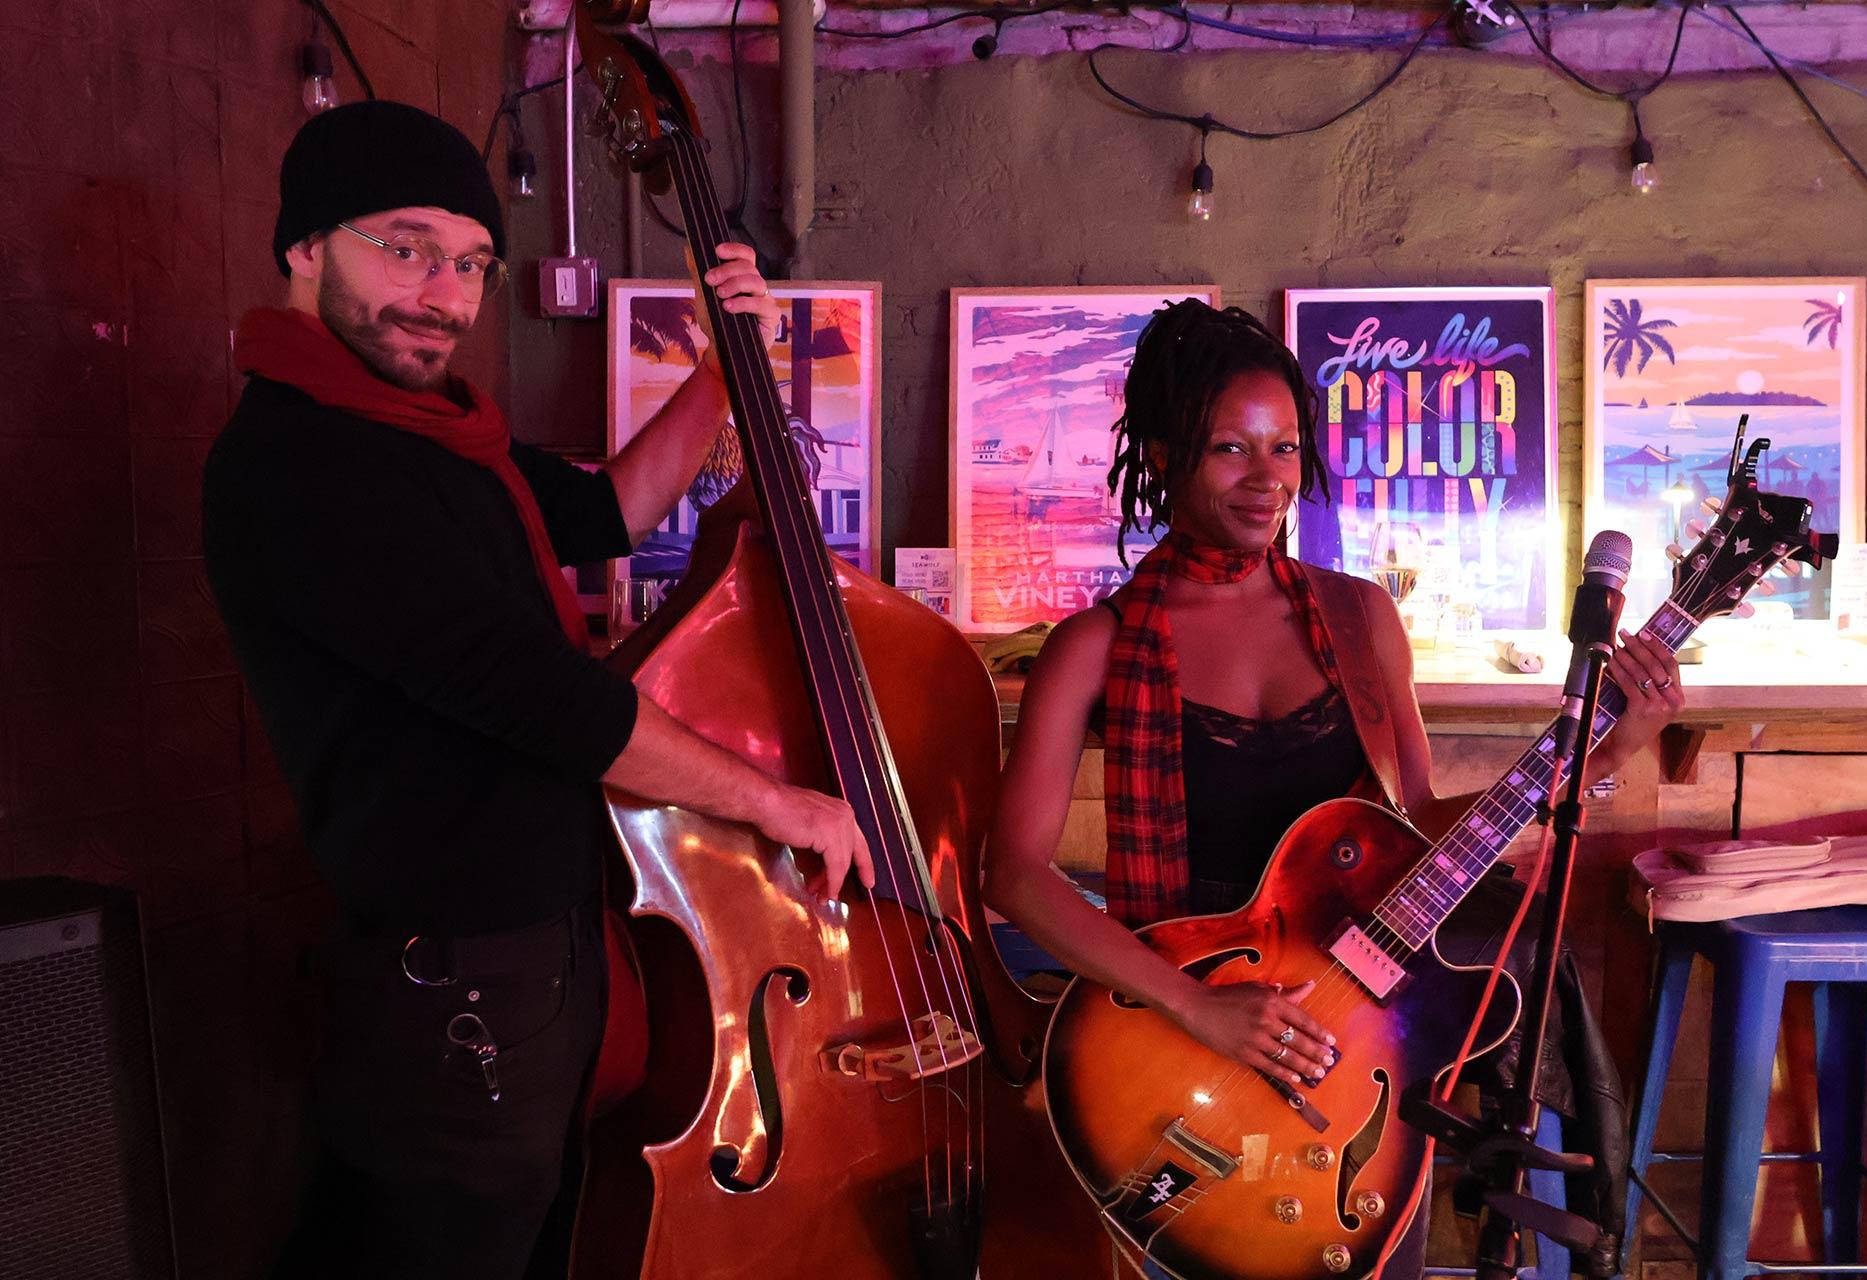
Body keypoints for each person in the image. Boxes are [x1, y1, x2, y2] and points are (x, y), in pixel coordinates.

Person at [202, 101, 871, 1280]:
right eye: (404, 246)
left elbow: (607, 512)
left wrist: (727, 367)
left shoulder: (436, 430)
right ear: (304, 246)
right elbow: (547, 698)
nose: (443, 293)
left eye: (468, 263)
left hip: (531, 959)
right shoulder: (304, 460)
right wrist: (781, 803)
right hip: (452, 984)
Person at [983, 300, 1684, 1277]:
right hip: (1177, 1054)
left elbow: (1415, 836)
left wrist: (1609, 751)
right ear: (1162, 450)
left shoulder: (1359, 617)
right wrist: (1199, 1006)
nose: (1267, 477)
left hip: (1351, 1052)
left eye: (1284, 446)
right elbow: (1014, 876)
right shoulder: (1095, 645)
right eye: (1231, 447)